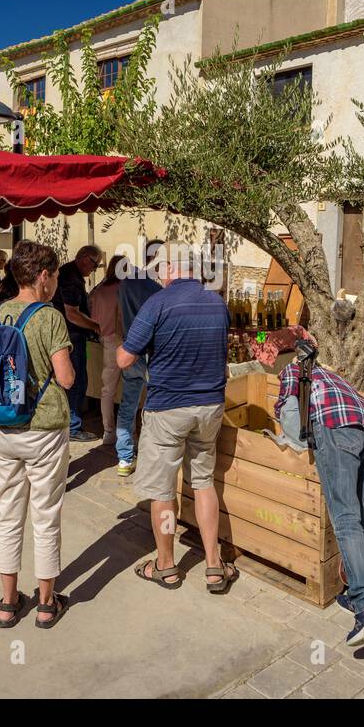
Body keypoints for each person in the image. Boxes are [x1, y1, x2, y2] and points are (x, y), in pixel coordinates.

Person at [117, 244, 236, 592]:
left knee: (162, 489)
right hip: (210, 406)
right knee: (203, 482)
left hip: (168, 407)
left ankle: (166, 565)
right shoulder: (217, 303)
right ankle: (214, 566)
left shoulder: (158, 303)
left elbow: (124, 358)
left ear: (170, 269)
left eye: (160, 269)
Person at [0, 241, 75, 629]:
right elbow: (64, 378)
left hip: (2, 426)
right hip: (44, 427)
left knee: (8, 514)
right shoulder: (49, 316)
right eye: (54, 276)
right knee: (46, 515)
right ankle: (47, 604)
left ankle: (8, 601)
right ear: (44, 276)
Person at [274, 345, 364, 647]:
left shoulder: (293, 372)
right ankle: (361, 594)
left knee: (345, 520)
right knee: (359, 518)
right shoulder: (331, 376)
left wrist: (289, 440)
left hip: (336, 431)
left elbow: (289, 416)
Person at [113, 239, 164, 475]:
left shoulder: (127, 283)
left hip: (130, 348)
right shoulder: (158, 289)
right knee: (156, 406)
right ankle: (153, 456)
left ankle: (125, 457)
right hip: (153, 353)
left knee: (129, 403)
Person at [53, 244, 103, 442]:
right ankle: (72, 426)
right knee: (76, 381)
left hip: (67, 335)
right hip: (71, 336)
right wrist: (96, 326)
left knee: (71, 381)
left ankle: (67, 423)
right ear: (85, 259)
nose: (94, 269)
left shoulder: (69, 274)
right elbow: (72, 313)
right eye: (95, 265)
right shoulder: (71, 278)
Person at [87, 254, 127, 448]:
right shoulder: (125, 289)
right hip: (125, 340)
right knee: (130, 388)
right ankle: (128, 432)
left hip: (106, 339)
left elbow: (94, 319)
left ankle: (108, 430)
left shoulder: (99, 291)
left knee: (107, 390)